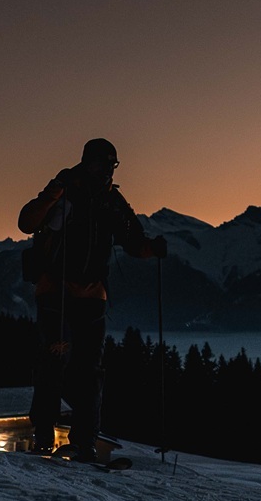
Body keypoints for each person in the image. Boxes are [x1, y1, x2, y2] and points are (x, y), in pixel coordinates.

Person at [17, 137, 167, 461]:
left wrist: (151, 249)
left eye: (110, 166)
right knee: (58, 363)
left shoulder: (110, 200)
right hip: (56, 289)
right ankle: (47, 437)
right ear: (87, 163)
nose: (107, 172)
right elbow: (27, 222)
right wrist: (53, 193)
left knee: (87, 369)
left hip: (88, 294)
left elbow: (133, 240)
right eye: (103, 165)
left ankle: (82, 442)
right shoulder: (66, 190)